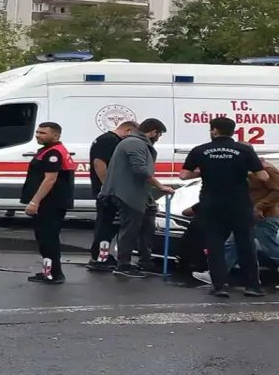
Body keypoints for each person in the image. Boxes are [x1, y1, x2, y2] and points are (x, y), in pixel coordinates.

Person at [180, 117, 269, 298]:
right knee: (245, 245)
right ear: (233, 131)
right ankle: (253, 286)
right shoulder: (244, 150)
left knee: (215, 245)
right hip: (239, 204)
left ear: (214, 130)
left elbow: (183, 175)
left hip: (211, 204)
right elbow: (263, 177)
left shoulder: (200, 150)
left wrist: (203, 170)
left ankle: (219, 286)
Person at [99, 118, 174, 279]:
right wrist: (160, 186)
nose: (158, 138)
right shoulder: (134, 143)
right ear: (153, 131)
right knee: (130, 229)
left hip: (141, 193)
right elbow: (140, 170)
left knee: (147, 227)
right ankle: (123, 264)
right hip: (128, 193)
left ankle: (145, 262)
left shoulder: (139, 143)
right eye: (159, 134)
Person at [192, 159, 279, 287]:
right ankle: (216, 275)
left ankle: (216, 275)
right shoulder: (245, 170)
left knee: (271, 248)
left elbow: (277, 191)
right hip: (248, 215)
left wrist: (260, 207)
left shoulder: (267, 170)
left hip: (265, 216)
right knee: (232, 244)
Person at [21, 122, 77, 284]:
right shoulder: (47, 150)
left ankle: (54, 273)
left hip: (50, 203)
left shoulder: (53, 153)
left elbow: (50, 179)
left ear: (56, 136)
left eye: (43, 133)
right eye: (38, 132)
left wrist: (34, 201)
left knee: (48, 239)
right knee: (45, 239)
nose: (38, 135)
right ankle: (49, 271)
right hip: (49, 203)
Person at [86, 121, 138, 272]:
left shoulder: (108, 140)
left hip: (108, 191)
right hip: (108, 192)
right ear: (128, 130)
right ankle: (100, 258)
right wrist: (108, 187)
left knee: (109, 224)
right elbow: (99, 163)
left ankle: (103, 256)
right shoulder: (108, 140)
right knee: (106, 225)